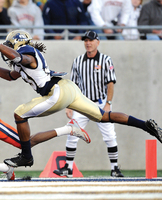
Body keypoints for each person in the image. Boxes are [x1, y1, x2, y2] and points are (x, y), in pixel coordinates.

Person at [0, 24, 162, 168]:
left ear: (18, 43)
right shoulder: (22, 60)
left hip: (56, 92)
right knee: (104, 116)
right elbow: (11, 76)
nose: (6, 47)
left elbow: (20, 57)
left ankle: (26, 157)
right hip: (68, 88)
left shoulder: (26, 51)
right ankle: (146, 126)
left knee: (19, 114)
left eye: (9, 44)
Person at [53, 30, 123, 178]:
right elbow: (72, 85)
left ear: (97, 42)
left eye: (91, 40)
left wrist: (108, 103)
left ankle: (115, 168)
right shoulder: (78, 61)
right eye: (85, 40)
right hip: (82, 103)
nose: (88, 43)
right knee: (72, 132)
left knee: (110, 136)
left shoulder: (105, 60)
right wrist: (69, 105)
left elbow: (110, 83)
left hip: (100, 103)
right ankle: (68, 168)